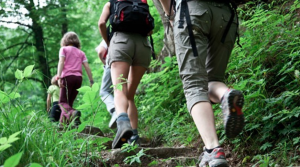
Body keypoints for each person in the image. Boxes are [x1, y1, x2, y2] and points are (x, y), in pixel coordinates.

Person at [159, 0, 245, 166]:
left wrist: (170, 16)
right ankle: (225, 95)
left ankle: (213, 149)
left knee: (194, 84)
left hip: (193, 11)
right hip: (227, 16)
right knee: (213, 79)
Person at [98, 0, 153, 149]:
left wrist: (109, 43)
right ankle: (134, 136)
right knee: (130, 95)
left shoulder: (112, 3)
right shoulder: (141, 2)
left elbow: (101, 23)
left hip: (121, 42)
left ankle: (122, 122)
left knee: (119, 89)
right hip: (143, 46)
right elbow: (150, 30)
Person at [57, 31, 94, 126]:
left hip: (67, 78)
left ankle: (73, 113)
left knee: (62, 102)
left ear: (65, 40)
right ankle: (62, 126)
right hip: (78, 79)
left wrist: (58, 76)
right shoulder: (81, 53)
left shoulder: (64, 49)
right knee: (68, 104)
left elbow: (61, 62)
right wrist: (91, 80)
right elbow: (87, 67)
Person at [95, 40, 117, 129]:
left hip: (113, 60)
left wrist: (105, 63)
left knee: (104, 91)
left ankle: (115, 110)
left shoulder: (110, 36)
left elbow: (101, 52)